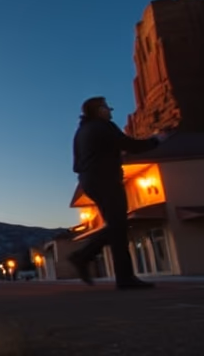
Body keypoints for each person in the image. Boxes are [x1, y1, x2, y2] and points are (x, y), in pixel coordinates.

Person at [67, 96, 165, 289]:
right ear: (99, 110)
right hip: (105, 180)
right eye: (107, 108)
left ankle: (119, 275)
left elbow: (83, 161)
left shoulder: (82, 131)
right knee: (118, 226)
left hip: (90, 181)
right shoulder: (103, 127)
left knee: (116, 226)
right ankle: (85, 258)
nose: (111, 112)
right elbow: (131, 145)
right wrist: (156, 140)